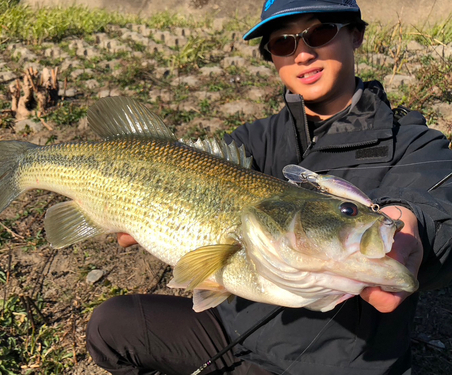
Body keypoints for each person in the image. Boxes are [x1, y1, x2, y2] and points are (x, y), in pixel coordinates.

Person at [86, 1, 452, 374]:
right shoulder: (255, 139)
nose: (304, 54)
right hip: (234, 333)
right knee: (112, 326)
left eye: (319, 33)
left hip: (334, 364)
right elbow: (184, 176)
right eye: (283, 43)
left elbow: (437, 212)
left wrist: (414, 227)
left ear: (355, 34)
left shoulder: (415, 143)